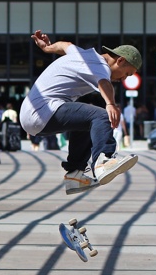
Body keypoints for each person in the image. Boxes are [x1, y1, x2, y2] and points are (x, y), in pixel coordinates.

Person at [20, 31, 140, 194]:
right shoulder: (100, 65)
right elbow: (104, 83)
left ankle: (75, 176)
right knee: (101, 115)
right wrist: (111, 104)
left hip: (33, 114)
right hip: (43, 110)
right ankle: (103, 161)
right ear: (120, 60)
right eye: (127, 73)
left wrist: (48, 48)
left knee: (86, 123)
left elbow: (65, 45)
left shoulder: (83, 55)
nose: (123, 79)